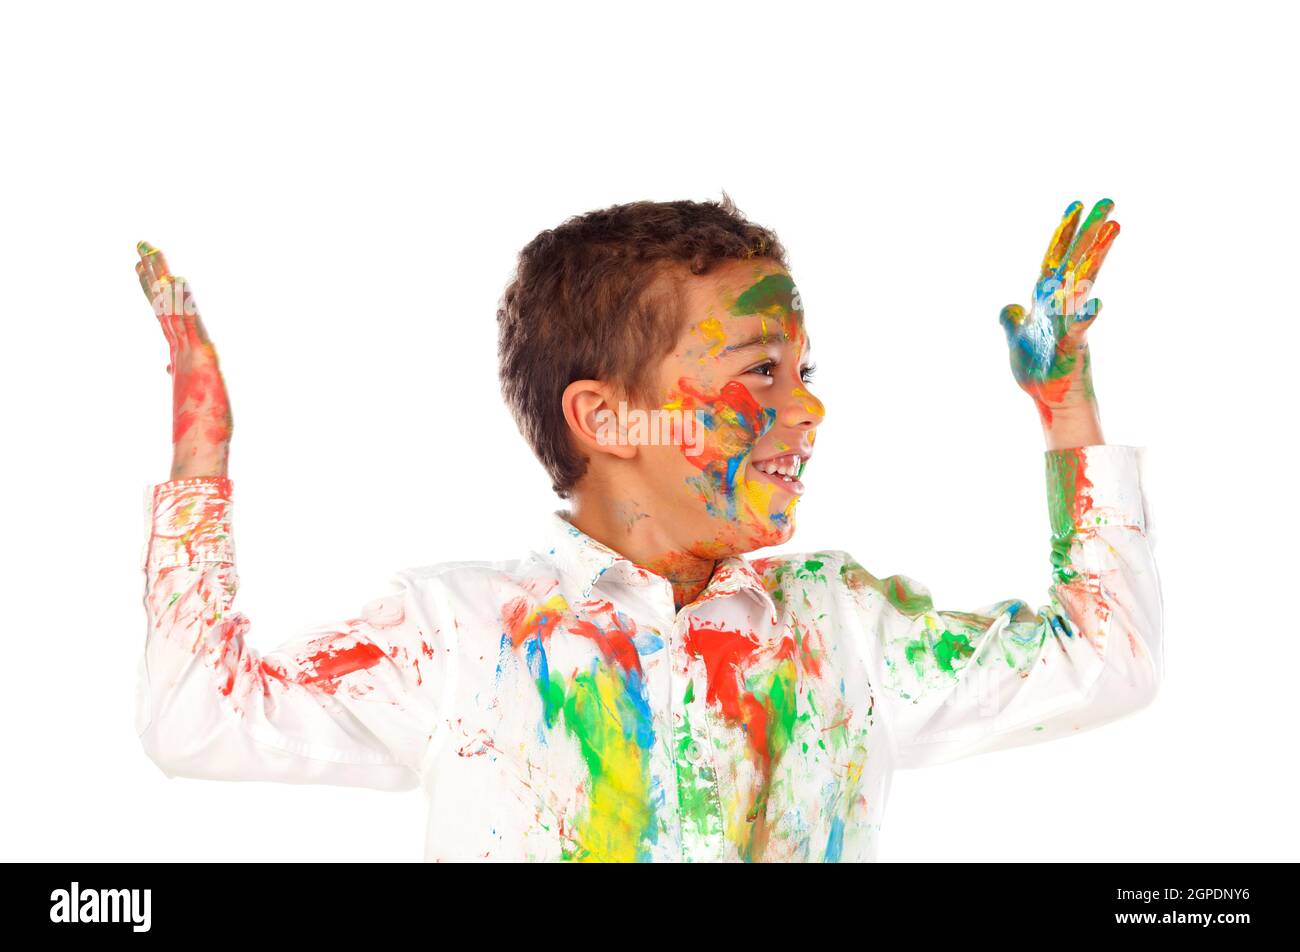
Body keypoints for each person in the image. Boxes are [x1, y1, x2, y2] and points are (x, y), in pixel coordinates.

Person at [135, 196, 1162, 862]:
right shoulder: (460, 636)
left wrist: (1066, 412)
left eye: (804, 373)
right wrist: (200, 457)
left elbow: (1105, 664)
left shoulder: (838, 629)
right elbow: (197, 722)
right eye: (759, 371)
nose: (806, 411)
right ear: (605, 418)